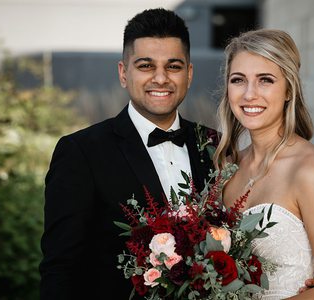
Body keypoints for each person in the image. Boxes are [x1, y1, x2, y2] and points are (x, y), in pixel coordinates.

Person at [39, 8, 215, 300]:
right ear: (124, 73)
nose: (161, 78)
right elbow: (60, 269)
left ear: (189, 73)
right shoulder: (80, 152)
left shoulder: (215, 144)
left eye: (173, 66)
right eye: (146, 65)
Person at [214, 29, 314, 299]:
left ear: (289, 89)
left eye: (265, 80)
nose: (249, 94)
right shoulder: (228, 166)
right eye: (238, 80)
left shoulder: (310, 173)